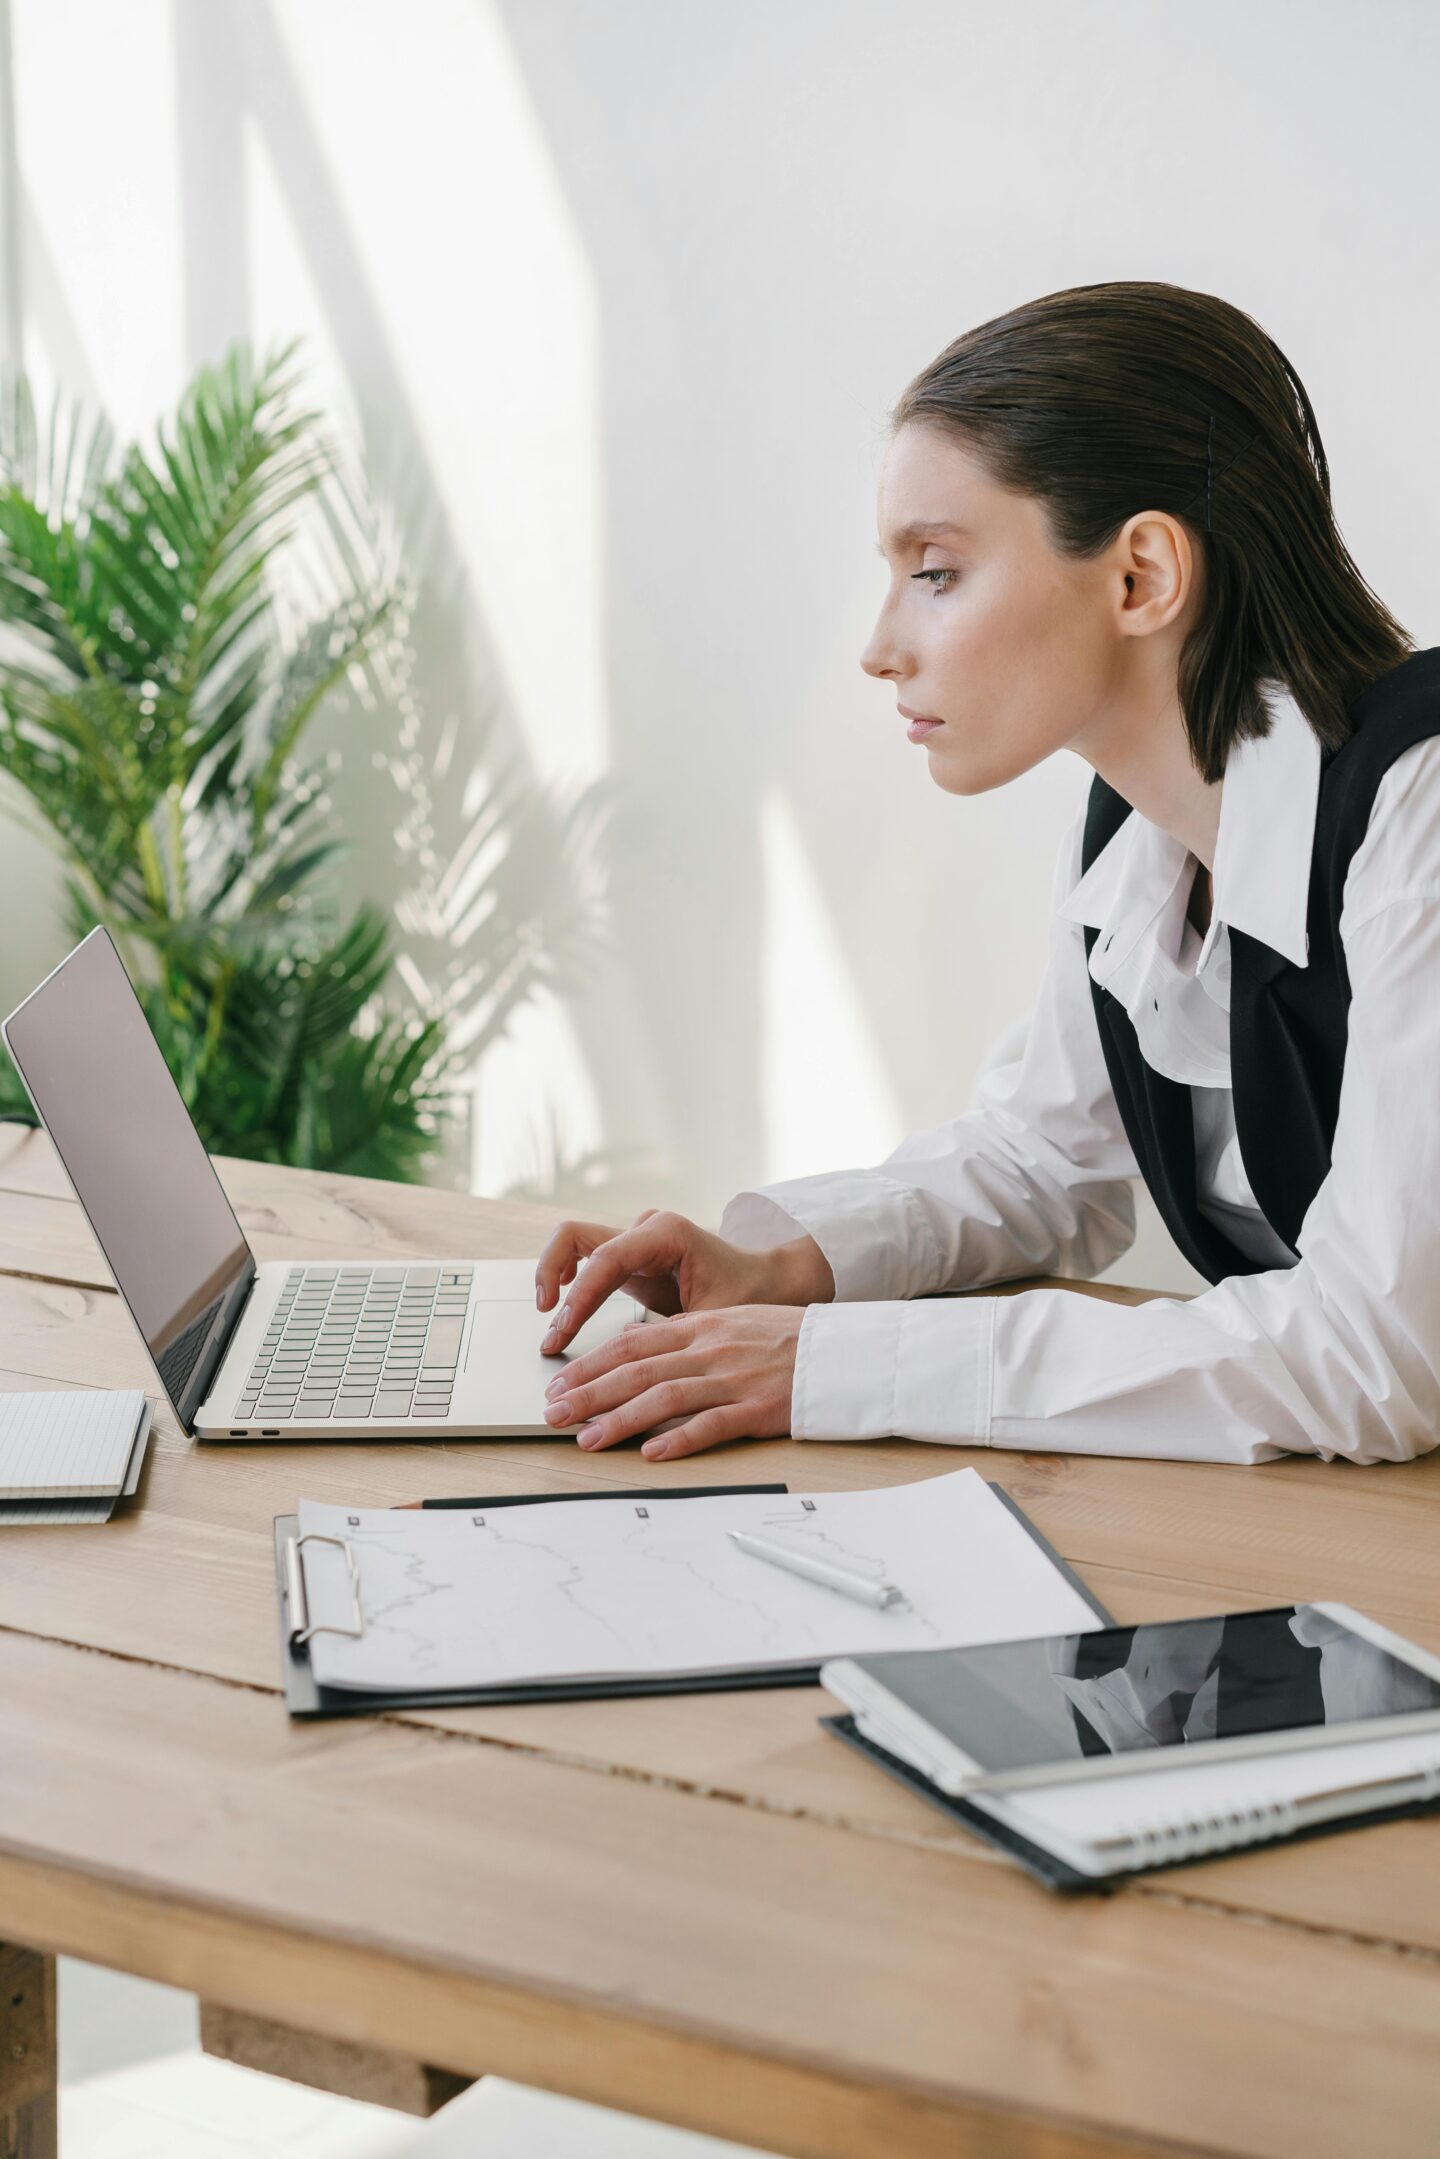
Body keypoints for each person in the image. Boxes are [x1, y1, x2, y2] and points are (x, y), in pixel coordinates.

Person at [533, 279, 1439, 1469]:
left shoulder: (1419, 814)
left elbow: (1379, 1352)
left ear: (1142, 576)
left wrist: (832, 1370)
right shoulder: (1139, 825)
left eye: (937, 570)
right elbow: (1048, 1158)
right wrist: (778, 1269)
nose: (879, 646)